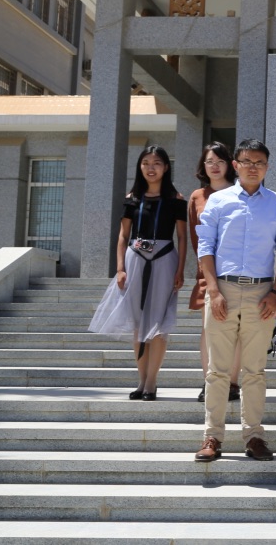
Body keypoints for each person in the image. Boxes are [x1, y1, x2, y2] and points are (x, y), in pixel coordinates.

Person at [193, 139, 276, 463]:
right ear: (235, 165)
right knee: (217, 370)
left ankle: (254, 436)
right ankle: (212, 437)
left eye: (259, 162)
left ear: (267, 167)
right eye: (247, 161)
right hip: (222, 290)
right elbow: (205, 246)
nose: (253, 167)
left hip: (261, 294)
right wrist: (213, 290)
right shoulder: (219, 201)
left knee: (255, 371)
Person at [89, 145, 187, 401]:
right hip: (135, 261)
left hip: (164, 260)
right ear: (140, 167)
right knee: (136, 323)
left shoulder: (176, 199)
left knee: (159, 325)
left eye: (156, 163)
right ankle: (141, 381)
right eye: (146, 163)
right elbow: (123, 235)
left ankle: (152, 382)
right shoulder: (132, 197)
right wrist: (120, 268)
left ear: (166, 167)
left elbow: (182, 237)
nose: (151, 168)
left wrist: (180, 269)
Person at [187, 142, 241, 404]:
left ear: (229, 164)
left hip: (238, 270)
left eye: (220, 161)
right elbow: (194, 237)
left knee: (236, 329)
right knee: (209, 328)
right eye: (210, 161)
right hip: (208, 271)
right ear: (203, 165)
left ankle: (232, 383)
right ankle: (209, 382)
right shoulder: (197, 196)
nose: (215, 166)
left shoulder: (240, 192)